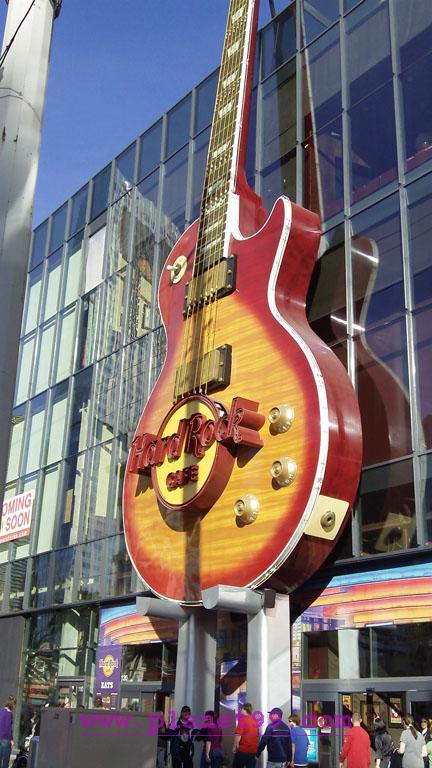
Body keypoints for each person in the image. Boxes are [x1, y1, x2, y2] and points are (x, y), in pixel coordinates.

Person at [232, 703, 259, 768]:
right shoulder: (255, 721)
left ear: (245, 709)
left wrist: (234, 746)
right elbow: (257, 735)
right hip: (253, 751)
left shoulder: (242, 720)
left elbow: (238, 734)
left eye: (242, 709)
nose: (241, 710)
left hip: (243, 750)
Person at [0, 695, 16, 768]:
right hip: (6, 739)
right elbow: (8, 728)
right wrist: (12, 740)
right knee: (5, 761)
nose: (15, 707)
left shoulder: (0, 711)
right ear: (12, 705)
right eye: (15, 705)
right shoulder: (9, 714)